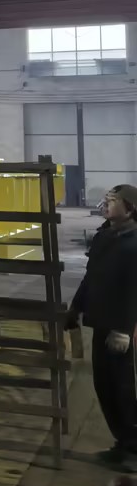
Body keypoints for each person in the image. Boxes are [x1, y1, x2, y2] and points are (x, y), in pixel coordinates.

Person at [68, 185, 137, 469]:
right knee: (104, 386)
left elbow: (133, 291)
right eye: (106, 200)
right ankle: (122, 443)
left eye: (113, 201)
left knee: (122, 388)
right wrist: (75, 308)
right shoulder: (103, 237)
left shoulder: (134, 244)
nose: (106, 204)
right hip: (100, 321)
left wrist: (124, 329)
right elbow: (90, 277)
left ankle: (133, 449)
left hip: (120, 328)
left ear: (130, 208)